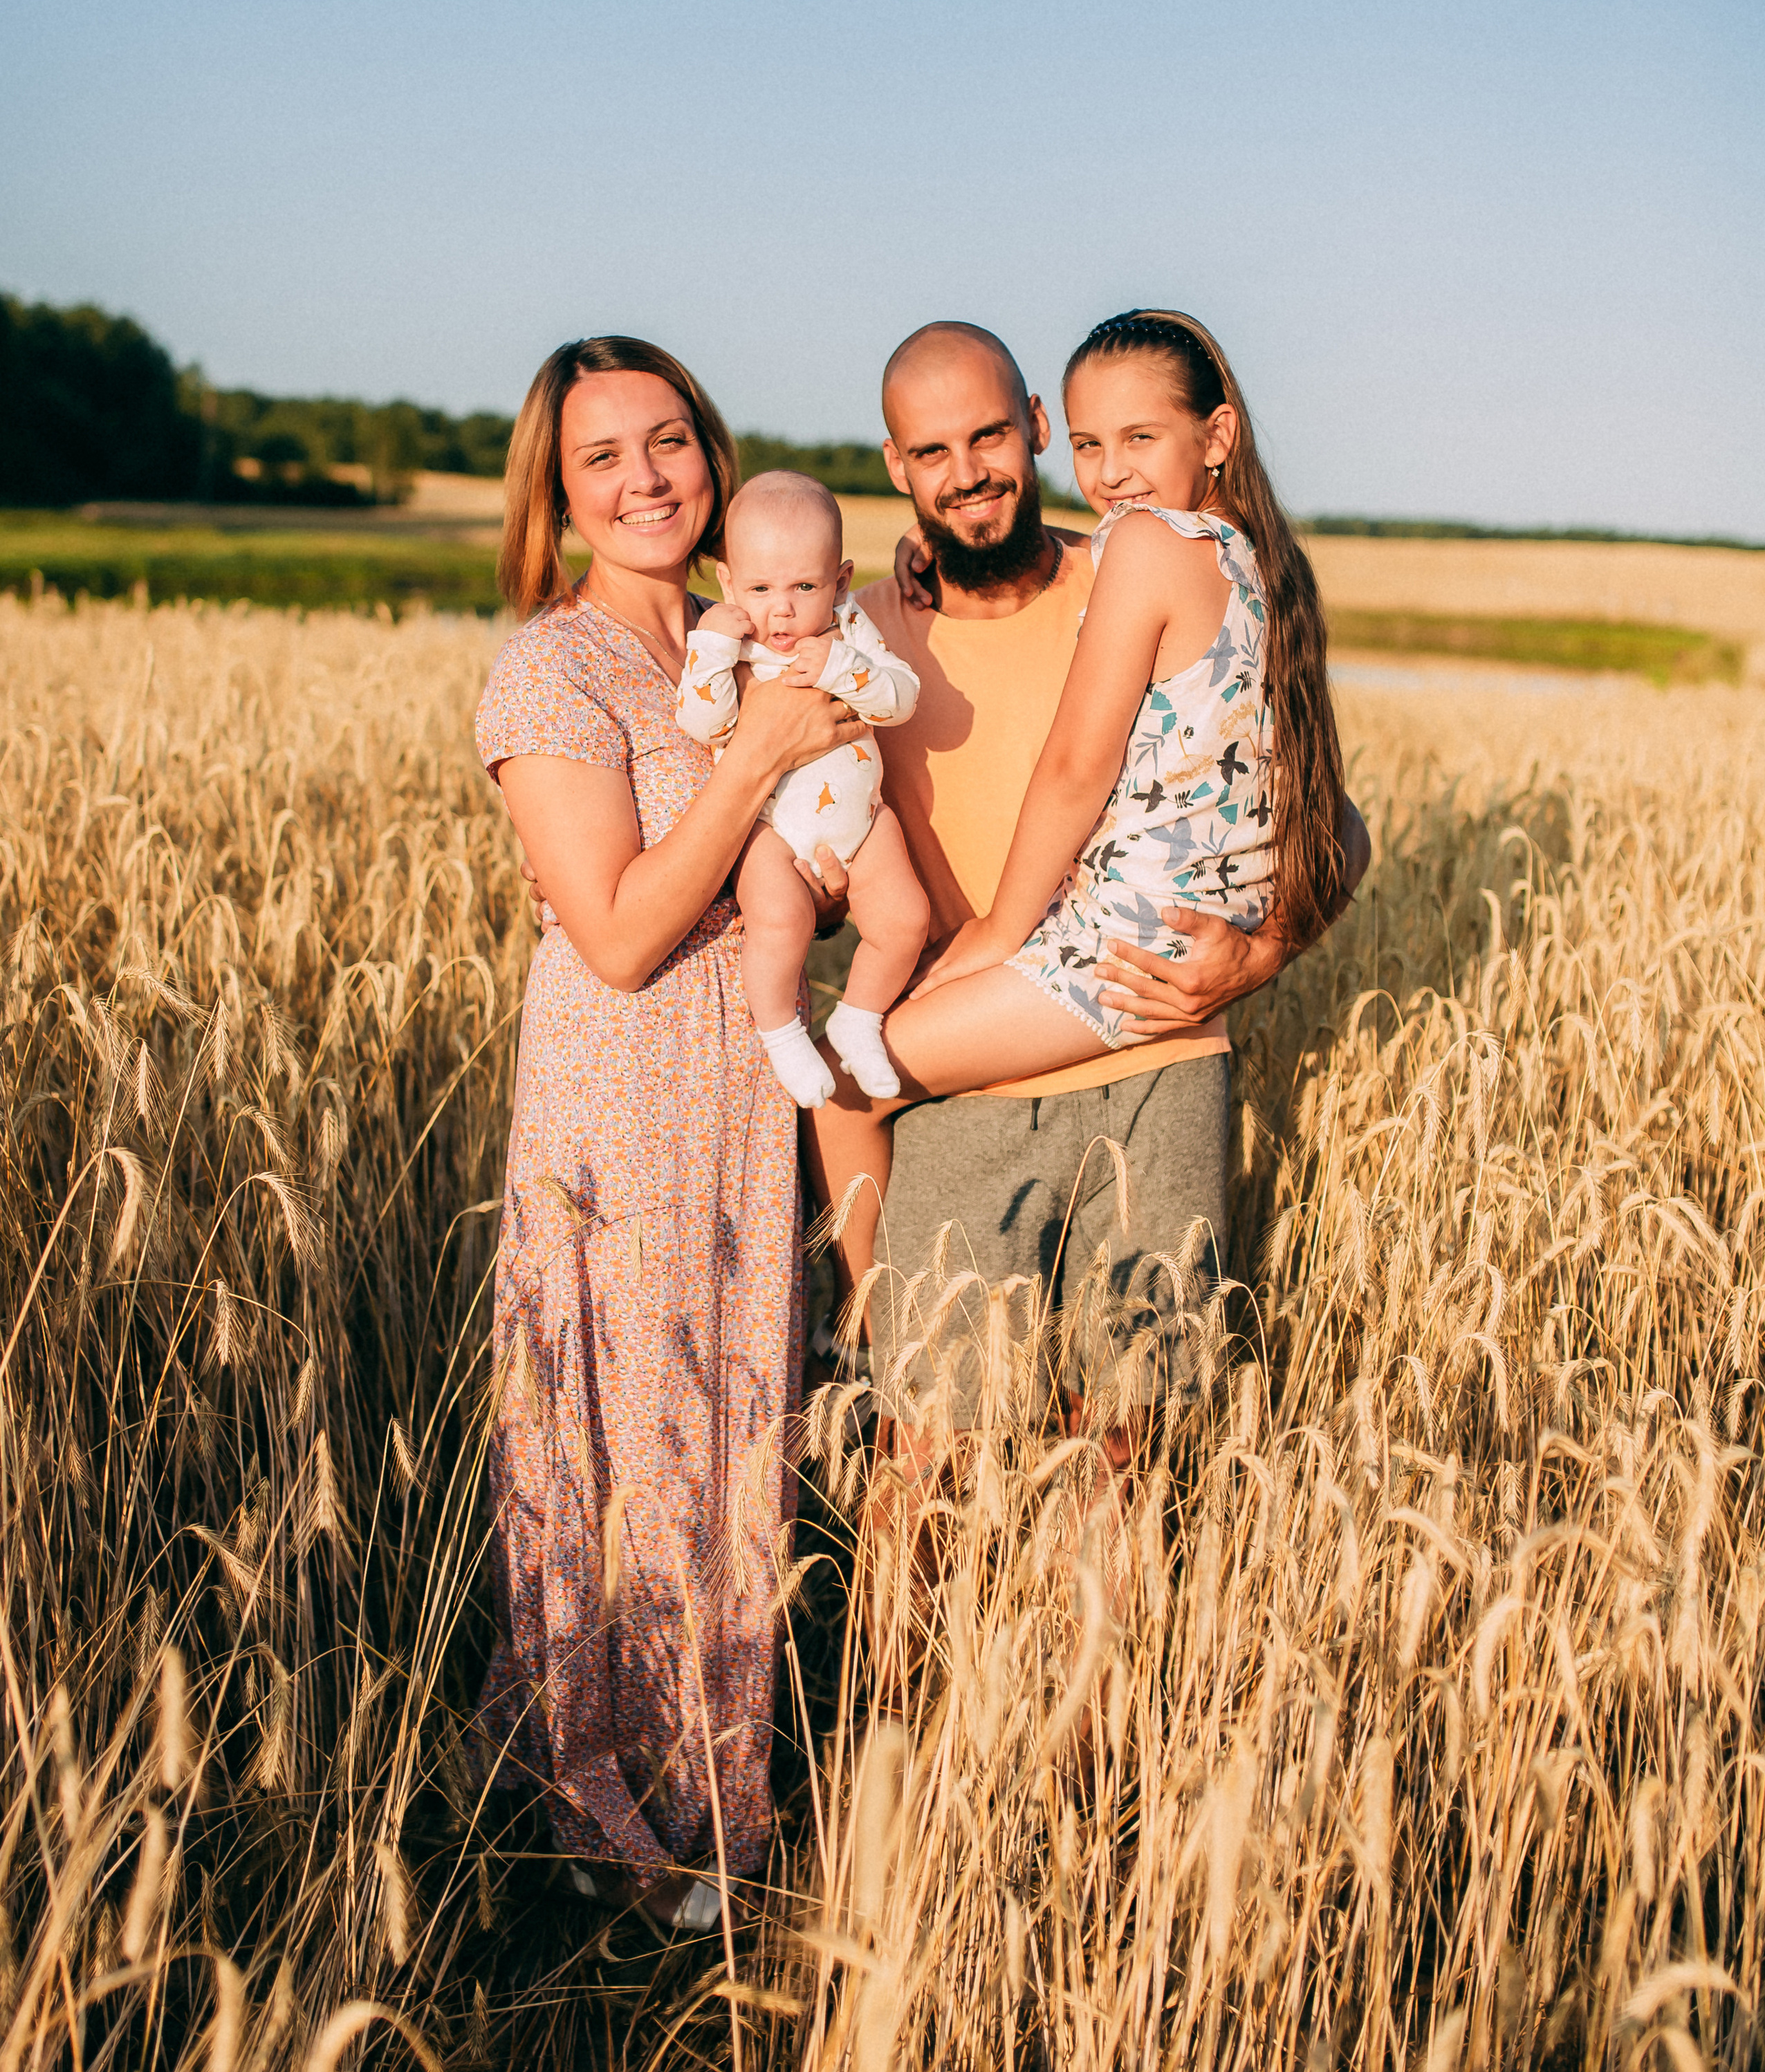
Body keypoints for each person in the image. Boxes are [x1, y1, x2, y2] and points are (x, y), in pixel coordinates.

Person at [472, 335, 866, 1933]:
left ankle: (718, 1783)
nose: (644, 480)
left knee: (725, 1420)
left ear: (709, 451)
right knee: (622, 1427)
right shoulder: (546, 670)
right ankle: (596, 1798)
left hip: (735, 1086)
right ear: (555, 492)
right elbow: (623, 930)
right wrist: (765, 752)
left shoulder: (745, 629)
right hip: (617, 1092)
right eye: (600, 459)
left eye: (668, 442)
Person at [804, 317, 1370, 1425]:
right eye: (932, 455)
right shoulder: (868, 630)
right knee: (933, 1462)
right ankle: (870, 1338)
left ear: (1031, 428)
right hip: (1006, 1069)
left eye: (988, 438)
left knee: (1121, 1448)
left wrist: (1253, 959)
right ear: (898, 471)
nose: (967, 476)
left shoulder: (1129, 557)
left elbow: (1328, 825)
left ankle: (855, 1341)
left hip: (1138, 1030)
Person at [675, 471, 927, 1109]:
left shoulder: (848, 629)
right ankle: (782, 1034)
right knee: (779, 920)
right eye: (759, 588)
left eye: (804, 587)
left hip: (865, 823)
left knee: (906, 921)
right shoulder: (731, 644)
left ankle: (858, 1020)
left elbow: (901, 699)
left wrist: (844, 666)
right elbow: (703, 724)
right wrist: (709, 652)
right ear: (728, 583)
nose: (781, 610)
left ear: (840, 582)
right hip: (769, 830)